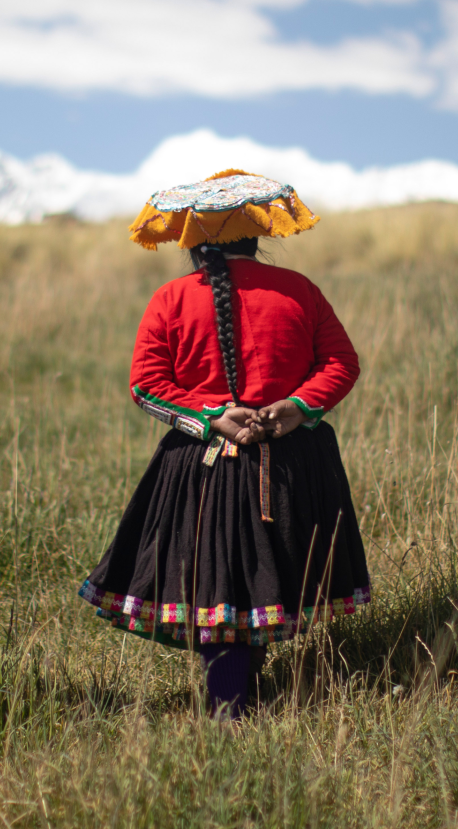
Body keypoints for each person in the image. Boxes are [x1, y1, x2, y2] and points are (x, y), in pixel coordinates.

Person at [80, 170, 371, 719]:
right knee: (267, 576)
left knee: (218, 582)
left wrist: (212, 417)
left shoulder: (170, 298)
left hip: (205, 465)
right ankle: (239, 698)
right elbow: (341, 364)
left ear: (191, 241)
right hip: (291, 462)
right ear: (257, 231)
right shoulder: (300, 290)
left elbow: (146, 385)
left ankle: (229, 705)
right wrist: (296, 409)